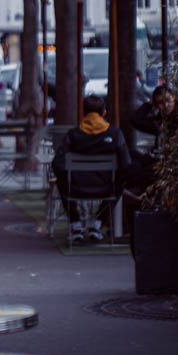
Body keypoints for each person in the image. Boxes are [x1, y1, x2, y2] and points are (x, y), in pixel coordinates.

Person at [52, 94, 131, 243]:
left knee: (61, 179)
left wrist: (69, 179)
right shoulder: (115, 134)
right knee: (122, 181)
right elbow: (126, 164)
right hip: (107, 189)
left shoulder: (73, 135)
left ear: (83, 113)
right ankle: (98, 223)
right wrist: (115, 180)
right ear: (104, 113)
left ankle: (75, 224)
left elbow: (58, 164)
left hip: (75, 188)